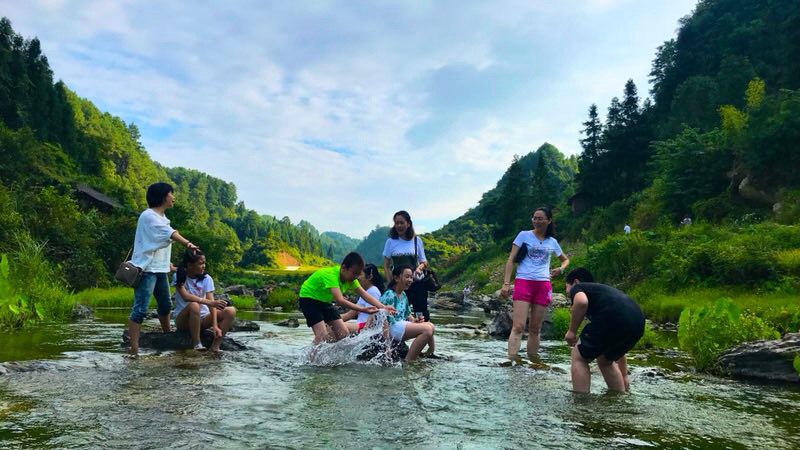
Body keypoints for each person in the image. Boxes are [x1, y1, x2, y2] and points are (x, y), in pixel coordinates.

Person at [127, 182, 198, 356]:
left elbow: (159, 245)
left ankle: (167, 335)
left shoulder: (163, 218)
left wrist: (168, 265)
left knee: (165, 304)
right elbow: (169, 233)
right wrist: (188, 243)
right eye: (171, 194)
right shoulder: (148, 215)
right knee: (140, 309)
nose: (173, 197)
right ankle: (133, 349)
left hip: (160, 270)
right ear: (163, 197)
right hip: (146, 270)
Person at [500, 207, 569, 363]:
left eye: (540, 218)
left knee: (535, 329)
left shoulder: (552, 242)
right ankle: (511, 360)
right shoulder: (523, 235)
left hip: (543, 284)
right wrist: (506, 283)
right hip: (523, 281)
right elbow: (511, 260)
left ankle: (533, 362)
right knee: (518, 326)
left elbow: (565, 259)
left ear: (549, 221)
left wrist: (561, 269)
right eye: (534, 218)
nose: (536, 221)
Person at [563, 268, 645, 394]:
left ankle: (581, 401)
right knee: (605, 360)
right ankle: (619, 397)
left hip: (613, 318)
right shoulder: (603, 294)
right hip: (638, 322)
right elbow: (618, 347)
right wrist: (624, 375)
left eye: (566, 287)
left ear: (575, 282)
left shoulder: (578, 287)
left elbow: (581, 302)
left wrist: (571, 331)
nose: (567, 293)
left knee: (579, 357)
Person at [299, 252, 395, 346]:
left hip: (324, 301)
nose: (356, 277)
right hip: (309, 299)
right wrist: (363, 309)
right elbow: (340, 300)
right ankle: (309, 356)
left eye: (358, 274)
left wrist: (384, 307)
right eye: (354, 273)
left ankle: (333, 355)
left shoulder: (352, 279)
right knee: (322, 336)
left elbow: (365, 295)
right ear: (344, 268)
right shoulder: (331, 275)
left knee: (343, 333)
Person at [172, 249, 236, 352]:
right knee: (194, 305)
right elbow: (186, 297)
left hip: (203, 319)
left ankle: (215, 346)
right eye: (201, 263)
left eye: (204, 263)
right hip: (183, 320)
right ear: (190, 265)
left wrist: (215, 325)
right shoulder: (179, 276)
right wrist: (210, 302)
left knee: (230, 311)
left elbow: (211, 303)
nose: (204, 266)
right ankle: (197, 343)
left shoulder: (207, 278)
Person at [380, 265, 436, 361]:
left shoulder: (403, 294)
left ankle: (430, 352)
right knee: (427, 330)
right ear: (396, 278)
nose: (410, 280)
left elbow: (407, 314)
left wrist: (415, 320)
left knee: (430, 325)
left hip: (400, 325)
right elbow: (383, 319)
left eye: (411, 277)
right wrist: (387, 345)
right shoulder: (389, 295)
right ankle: (409, 360)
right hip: (392, 327)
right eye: (407, 277)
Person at [383, 210, 431, 321]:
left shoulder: (416, 240)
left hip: (417, 282)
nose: (399, 226)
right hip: (399, 284)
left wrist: (419, 268)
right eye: (396, 223)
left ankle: (424, 330)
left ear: (408, 224)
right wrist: (391, 283)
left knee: (421, 313)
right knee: (398, 314)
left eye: (401, 223)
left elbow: (424, 262)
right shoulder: (390, 242)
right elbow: (386, 265)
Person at [340, 263, 385, 334]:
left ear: (370, 277)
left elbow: (372, 318)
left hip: (364, 326)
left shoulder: (373, 291)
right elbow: (348, 315)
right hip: (359, 325)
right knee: (334, 325)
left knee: (337, 327)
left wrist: (363, 335)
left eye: (359, 274)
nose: (356, 277)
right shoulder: (365, 293)